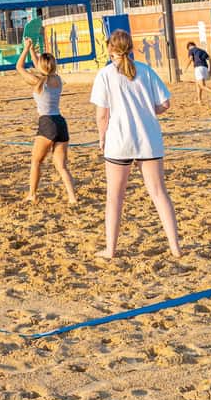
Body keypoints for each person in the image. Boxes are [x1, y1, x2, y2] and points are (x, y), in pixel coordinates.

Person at [90, 28, 180, 259]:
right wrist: (147, 111)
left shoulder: (106, 75)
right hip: (148, 139)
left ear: (111, 49)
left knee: (115, 197)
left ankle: (110, 249)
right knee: (159, 194)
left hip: (119, 140)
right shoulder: (146, 71)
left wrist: (102, 137)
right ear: (130, 48)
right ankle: (175, 248)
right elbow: (165, 104)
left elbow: (102, 114)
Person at [16, 38, 76, 204]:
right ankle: (72, 198)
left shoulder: (38, 82)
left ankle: (32, 194)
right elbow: (42, 69)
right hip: (61, 123)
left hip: (47, 122)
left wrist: (26, 49)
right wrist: (34, 52)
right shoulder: (57, 80)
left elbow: (19, 67)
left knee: (36, 161)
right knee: (61, 166)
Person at [185, 40, 211, 105]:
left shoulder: (191, 50)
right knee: (198, 84)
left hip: (198, 68)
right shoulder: (202, 51)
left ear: (189, 46)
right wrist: (210, 70)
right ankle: (199, 100)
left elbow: (191, 59)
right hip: (205, 68)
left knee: (202, 85)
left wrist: (186, 68)